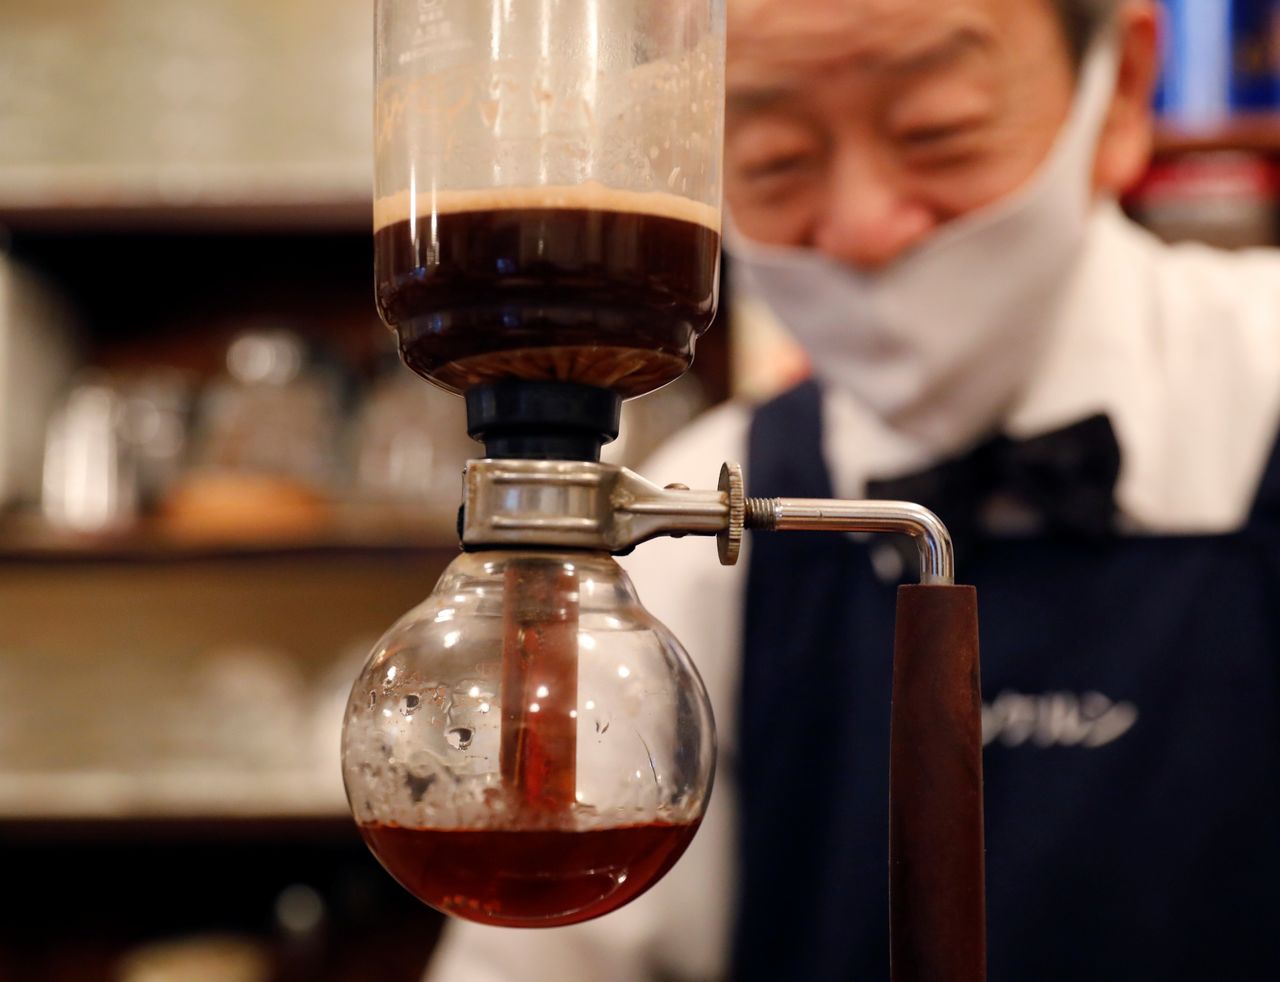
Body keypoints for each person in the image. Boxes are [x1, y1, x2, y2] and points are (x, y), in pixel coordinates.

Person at [426, 0, 1280, 978]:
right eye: (774, 158)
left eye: (938, 131)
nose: (865, 226)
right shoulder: (678, 544)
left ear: (1121, 87)